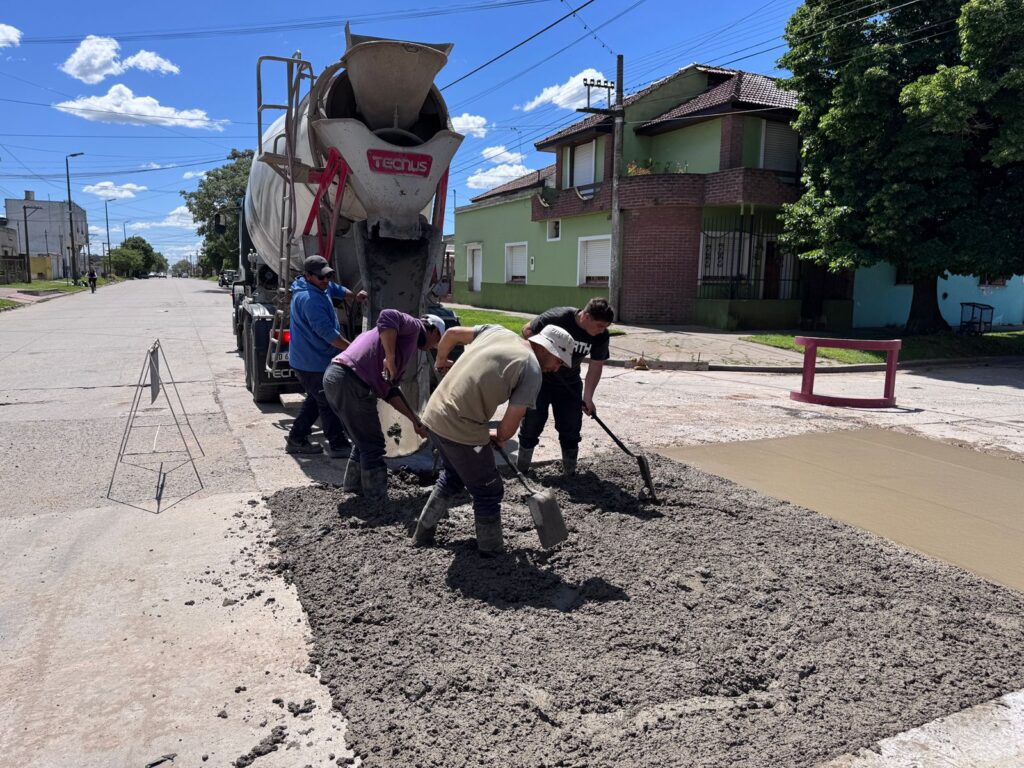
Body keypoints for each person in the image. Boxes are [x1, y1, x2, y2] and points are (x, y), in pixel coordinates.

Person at [412, 323, 573, 554]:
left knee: (453, 476)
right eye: (559, 361)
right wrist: (498, 436)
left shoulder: (497, 332)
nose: (557, 368)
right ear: (547, 349)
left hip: (433, 415)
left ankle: (422, 534)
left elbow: (451, 335)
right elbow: (508, 428)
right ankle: (492, 554)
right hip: (460, 426)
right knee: (489, 489)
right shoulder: (532, 369)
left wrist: (440, 361)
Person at [324, 310, 446, 500]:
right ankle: (377, 501)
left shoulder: (401, 342)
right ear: (434, 332)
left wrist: (415, 421)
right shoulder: (414, 327)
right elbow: (387, 315)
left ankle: (353, 490)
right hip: (351, 381)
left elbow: (390, 391)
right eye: (436, 342)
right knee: (373, 446)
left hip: (336, 377)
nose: (432, 347)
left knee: (363, 441)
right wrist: (390, 358)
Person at [516, 297, 615, 476]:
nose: (602, 331)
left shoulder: (601, 336)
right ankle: (521, 471)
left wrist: (588, 398)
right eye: (600, 325)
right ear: (586, 317)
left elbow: (596, 365)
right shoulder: (557, 318)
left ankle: (570, 474)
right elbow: (527, 330)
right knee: (532, 424)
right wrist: (545, 356)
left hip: (569, 383)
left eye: (605, 327)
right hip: (541, 380)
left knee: (570, 428)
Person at [286, 255, 367, 458]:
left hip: (314, 359)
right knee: (328, 401)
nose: (326, 281)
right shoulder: (309, 300)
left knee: (316, 400)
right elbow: (329, 335)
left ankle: (296, 439)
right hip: (310, 362)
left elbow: (337, 289)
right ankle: (338, 445)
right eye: (321, 278)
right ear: (308, 276)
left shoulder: (320, 286)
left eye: (328, 276)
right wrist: (352, 351)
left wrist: (355, 296)